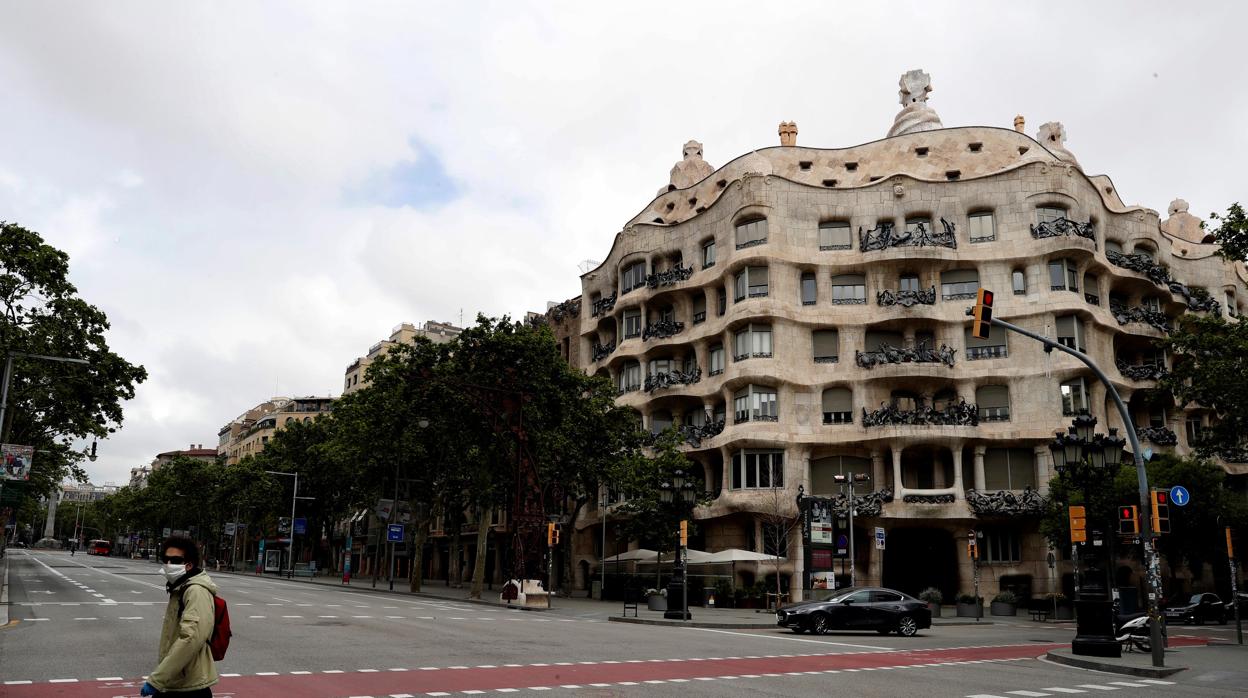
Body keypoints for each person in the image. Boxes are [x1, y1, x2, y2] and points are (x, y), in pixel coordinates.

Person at [140, 536, 219, 697]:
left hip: (189, 687)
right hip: (176, 682)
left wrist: (157, 679)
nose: (169, 564)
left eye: (175, 560)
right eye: (166, 559)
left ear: (189, 565)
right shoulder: (179, 588)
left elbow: (190, 638)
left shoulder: (195, 591)